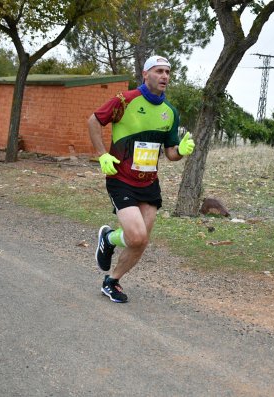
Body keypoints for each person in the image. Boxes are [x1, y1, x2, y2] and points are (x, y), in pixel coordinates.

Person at [88, 55, 195, 303]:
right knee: (136, 236)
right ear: (145, 74)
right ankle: (109, 239)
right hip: (121, 178)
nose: (165, 76)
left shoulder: (170, 112)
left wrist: (181, 150)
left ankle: (112, 280)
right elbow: (94, 120)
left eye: (168, 72)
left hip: (149, 183)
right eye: (159, 71)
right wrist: (102, 154)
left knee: (141, 241)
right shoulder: (124, 100)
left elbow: (170, 153)